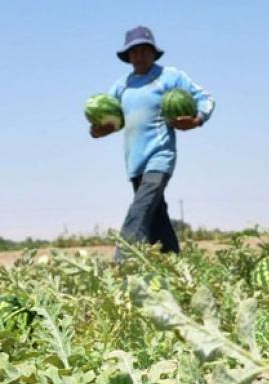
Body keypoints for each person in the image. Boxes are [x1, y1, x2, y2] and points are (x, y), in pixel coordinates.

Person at [90, 26, 215, 261]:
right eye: (134, 51)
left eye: (144, 50)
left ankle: (121, 264)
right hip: (134, 163)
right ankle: (174, 264)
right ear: (127, 56)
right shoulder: (122, 86)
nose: (139, 55)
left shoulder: (169, 77)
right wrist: (99, 130)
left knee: (139, 211)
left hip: (160, 157)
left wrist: (197, 120)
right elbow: (111, 121)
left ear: (154, 53)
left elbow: (205, 98)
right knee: (156, 217)